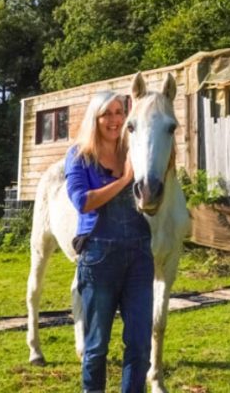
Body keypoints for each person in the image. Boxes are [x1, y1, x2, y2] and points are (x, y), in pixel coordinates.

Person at [65, 91, 154, 393]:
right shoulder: (80, 156)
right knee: (96, 346)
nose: (115, 120)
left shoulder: (134, 149)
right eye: (108, 114)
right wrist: (123, 181)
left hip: (140, 257)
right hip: (99, 257)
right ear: (96, 117)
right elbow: (83, 202)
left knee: (141, 343)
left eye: (119, 113)